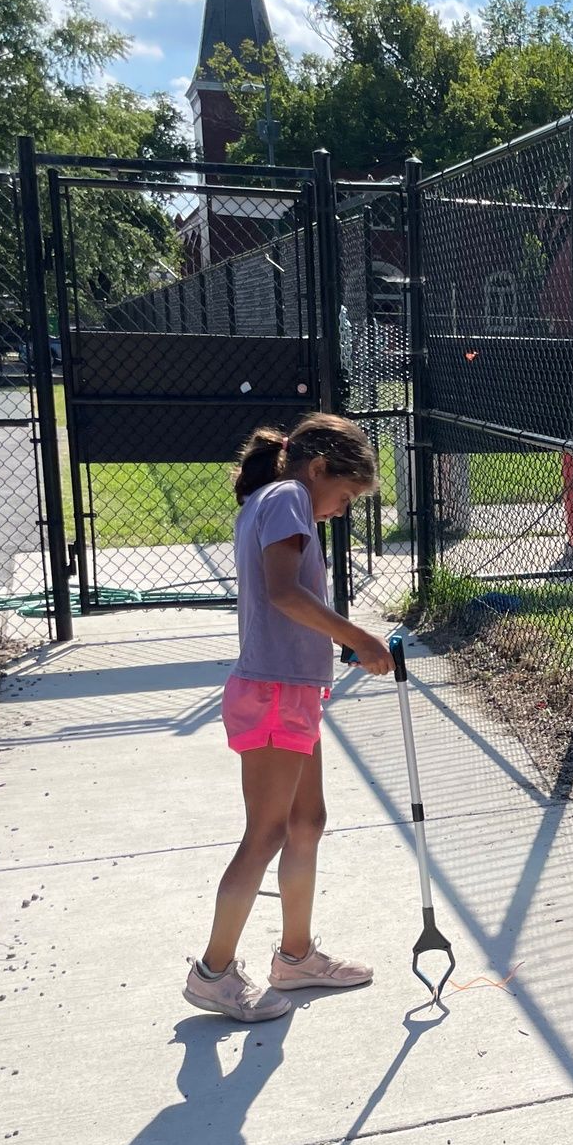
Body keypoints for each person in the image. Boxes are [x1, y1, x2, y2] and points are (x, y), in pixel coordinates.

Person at [184, 414, 397, 1022]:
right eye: (347, 496)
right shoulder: (286, 498)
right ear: (322, 469)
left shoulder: (283, 499)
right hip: (275, 690)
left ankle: (296, 956)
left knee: (307, 821)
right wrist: (357, 637)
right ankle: (213, 972)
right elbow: (283, 592)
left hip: (294, 690)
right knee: (267, 833)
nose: (340, 509)